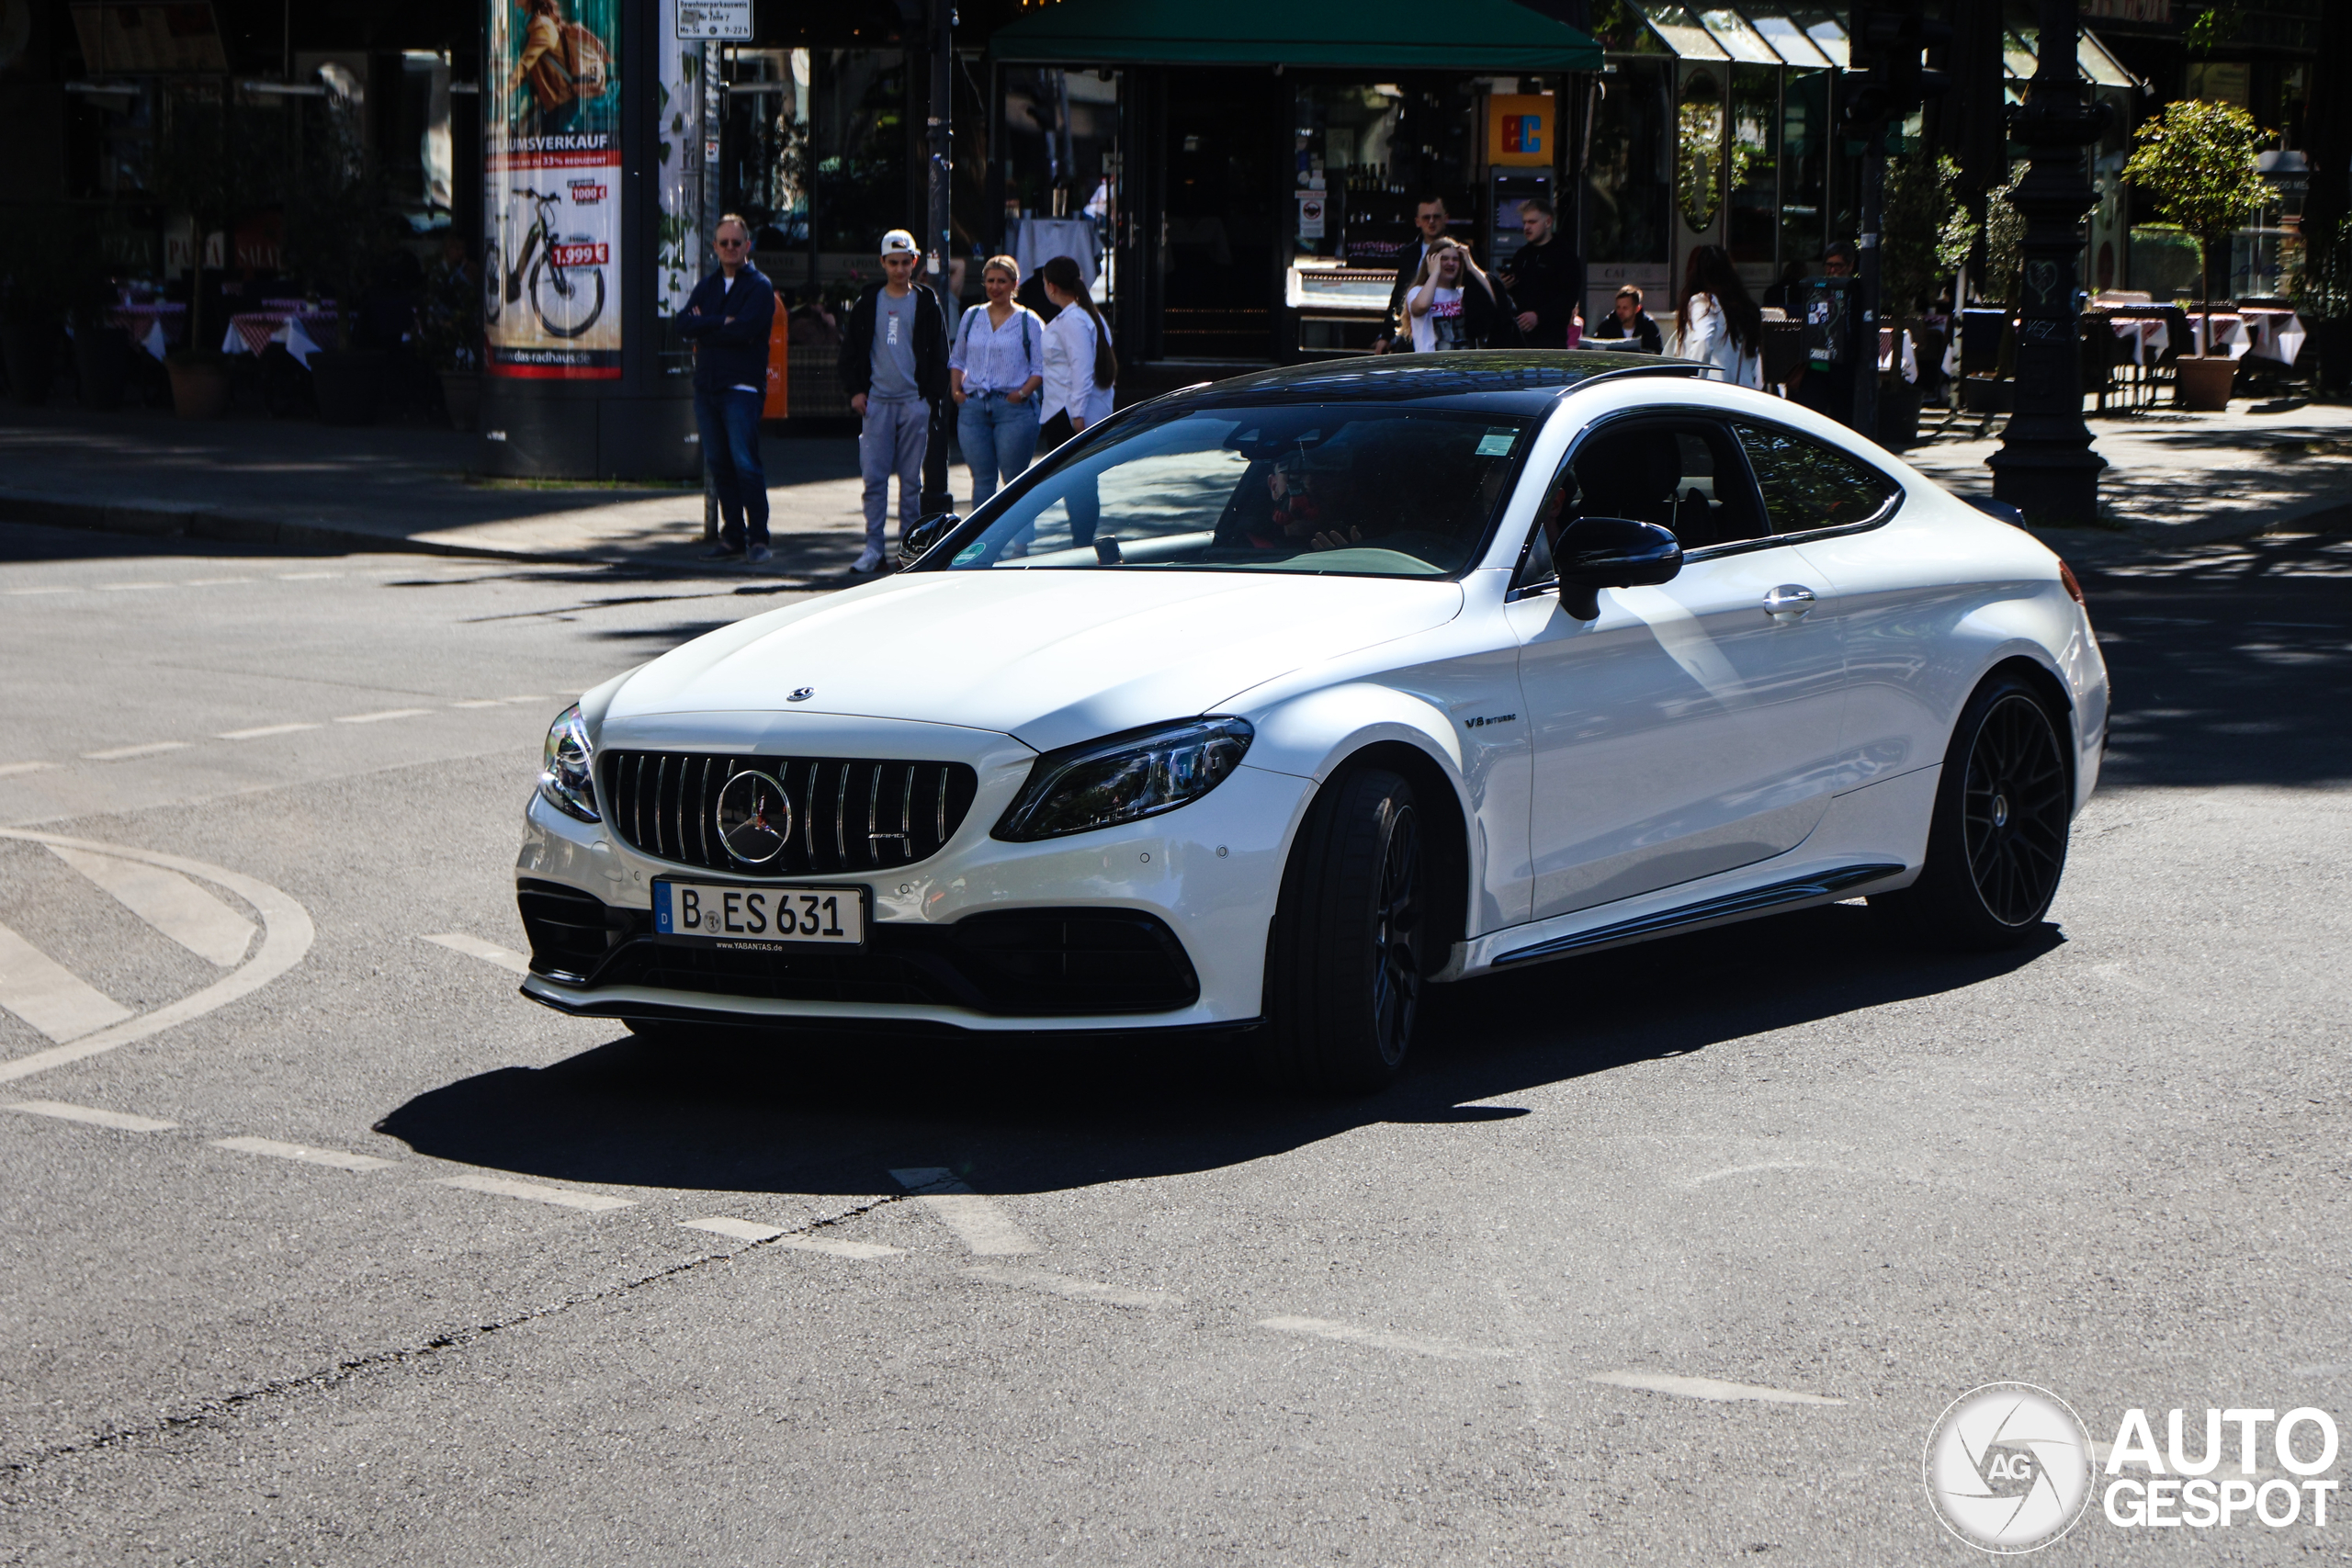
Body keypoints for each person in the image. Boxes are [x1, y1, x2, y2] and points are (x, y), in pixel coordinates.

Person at [841, 228, 949, 573]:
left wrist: (929, 398)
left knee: (910, 482)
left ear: (914, 262)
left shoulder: (926, 301)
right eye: (893, 263)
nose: (900, 269)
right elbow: (851, 352)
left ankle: (909, 549)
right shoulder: (868, 301)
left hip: (913, 401)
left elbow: (939, 355)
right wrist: (856, 391)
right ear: (883, 263)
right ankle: (873, 547)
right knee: (873, 479)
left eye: (906, 262)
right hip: (877, 403)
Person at [674, 213, 776, 563]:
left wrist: (707, 327)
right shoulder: (708, 286)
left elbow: (746, 330)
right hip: (708, 387)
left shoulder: (759, 287)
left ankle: (758, 538)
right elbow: (682, 323)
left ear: (747, 246)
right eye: (724, 243)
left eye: (737, 242)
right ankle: (732, 535)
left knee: (745, 463)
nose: (730, 248)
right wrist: (719, 322)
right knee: (719, 463)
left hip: (741, 388)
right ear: (715, 247)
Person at [948, 254, 1045, 509]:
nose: (995, 287)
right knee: (982, 480)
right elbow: (958, 358)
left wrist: (1022, 394)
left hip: (1013, 409)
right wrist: (956, 391)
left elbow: (1040, 367)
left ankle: (1021, 544)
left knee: (1015, 481)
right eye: (990, 281)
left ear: (1014, 284)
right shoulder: (972, 315)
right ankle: (984, 546)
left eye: (1002, 281)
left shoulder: (1029, 320)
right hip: (974, 405)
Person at [1035, 253, 1117, 547]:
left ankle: (1081, 543)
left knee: (1079, 483)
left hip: (1069, 411)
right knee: (1079, 482)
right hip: (1067, 409)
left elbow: (1081, 368)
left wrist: (1078, 415)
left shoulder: (1074, 319)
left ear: (1051, 286)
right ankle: (1081, 541)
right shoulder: (1085, 315)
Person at [1672, 243, 1763, 389]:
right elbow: (1754, 360)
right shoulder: (1746, 306)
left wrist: (1692, 385)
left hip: (1717, 394)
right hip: (1746, 392)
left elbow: (1703, 340)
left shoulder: (1704, 302)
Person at [1406, 239, 1520, 353]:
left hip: (1463, 365)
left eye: (1455, 259)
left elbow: (1499, 302)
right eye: (1444, 258)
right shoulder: (1417, 292)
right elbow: (1422, 306)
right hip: (1432, 367)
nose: (1450, 263)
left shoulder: (1463, 293)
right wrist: (1434, 273)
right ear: (1431, 260)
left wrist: (1472, 267)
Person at [1497, 198, 1581, 349]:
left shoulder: (1564, 256)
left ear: (1548, 222)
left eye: (1532, 222)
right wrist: (1506, 286)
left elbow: (1569, 298)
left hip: (1551, 340)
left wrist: (1538, 316)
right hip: (1520, 339)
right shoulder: (1522, 256)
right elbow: (1514, 300)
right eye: (1524, 223)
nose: (1526, 227)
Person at [1375, 196, 1453, 354]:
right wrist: (1386, 335)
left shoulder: (1460, 251)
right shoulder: (1409, 254)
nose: (1431, 222)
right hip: (1413, 330)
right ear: (1418, 222)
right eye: (1426, 217)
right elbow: (1399, 295)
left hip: (1448, 330)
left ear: (1446, 219)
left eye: (1436, 217)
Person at [1589, 284, 1664, 354]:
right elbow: (1597, 350)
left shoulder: (1649, 327)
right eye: (1618, 307)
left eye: (1625, 308)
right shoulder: (1607, 326)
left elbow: (1656, 353)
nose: (1620, 311)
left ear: (1637, 309)